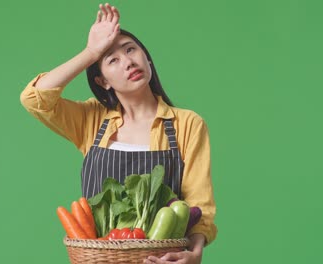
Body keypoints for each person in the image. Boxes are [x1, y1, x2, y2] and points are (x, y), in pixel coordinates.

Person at [20, 3, 217, 263]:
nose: (128, 62)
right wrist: (91, 52)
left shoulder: (187, 123)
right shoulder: (91, 120)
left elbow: (198, 203)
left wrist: (194, 254)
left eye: (131, 50)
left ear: (147, 58)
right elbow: (35, 99)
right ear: (103, 81)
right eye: (113, 59)